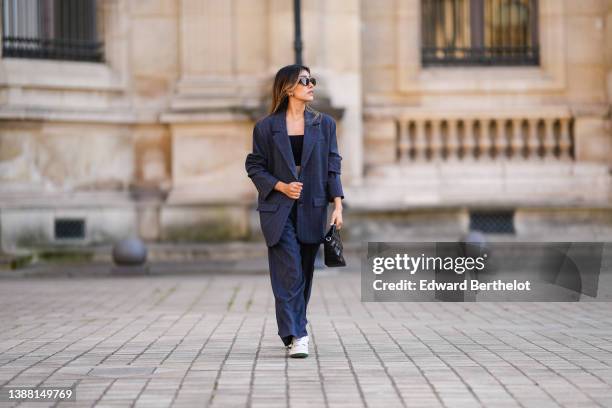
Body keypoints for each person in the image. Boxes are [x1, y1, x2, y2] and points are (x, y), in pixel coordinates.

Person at [245, 64, 344, 358]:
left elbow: (332, 165)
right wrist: (279, 186)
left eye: (312, 80)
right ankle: (299, 334)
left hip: (313, 208)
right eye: (305, 80)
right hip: (278, 210)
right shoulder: (266, 127)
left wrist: (337, 204)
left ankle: (291, 330)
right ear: (288, 87)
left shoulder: (324, 125)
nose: (311, 84)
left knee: (303, 274)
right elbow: (254, 166)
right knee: (289, 272)